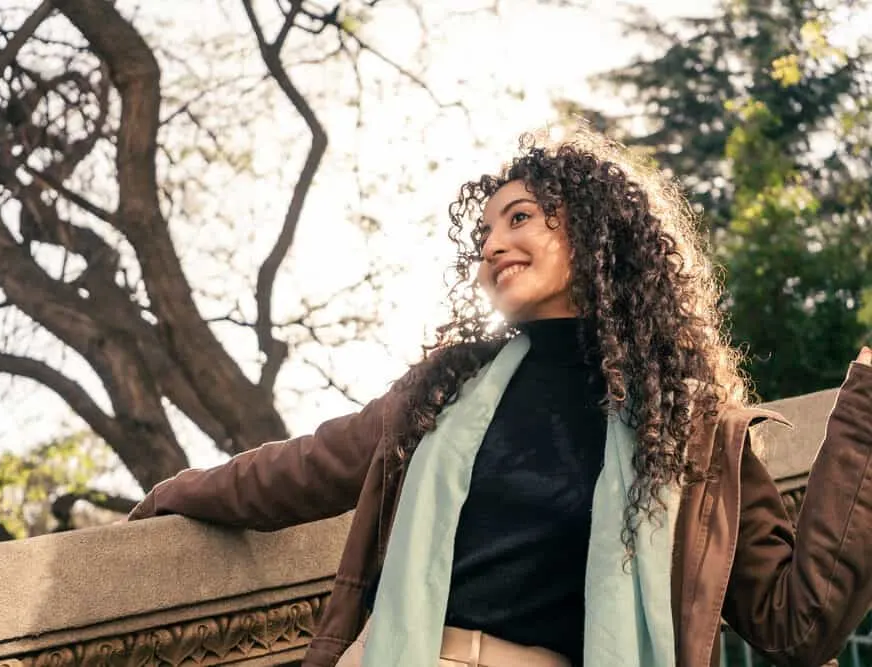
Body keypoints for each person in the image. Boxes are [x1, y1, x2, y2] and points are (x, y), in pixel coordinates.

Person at [128, 127, 872, 667]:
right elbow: (296, 470)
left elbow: (796, 622)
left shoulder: (693, 434)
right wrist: (171, 496)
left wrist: (865, 410)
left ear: (595, 234)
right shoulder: (445, 391)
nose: (491, 245)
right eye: (484, 231)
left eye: (518, 218)